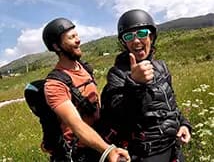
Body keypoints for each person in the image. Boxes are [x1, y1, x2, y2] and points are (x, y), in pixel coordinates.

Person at [100, 9, 191, 162]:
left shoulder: (161, 67)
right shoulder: (117, 74)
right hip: (147, 154)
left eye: (142, 33)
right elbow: (121, 116)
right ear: (124, 43)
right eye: (129, 36)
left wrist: (183, 124)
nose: (136, 41)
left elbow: (170, 103)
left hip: (173, 148)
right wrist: (135, 83)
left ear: (152, 36)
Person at [42, 17, 130, 162]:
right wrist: (108, 150)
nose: (78, 40)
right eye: (71, 37)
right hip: (81, 151)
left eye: (77, 35)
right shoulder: (54, 84)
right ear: (57, 47)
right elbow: (76, 125)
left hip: (101, 137)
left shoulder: (84, 68)